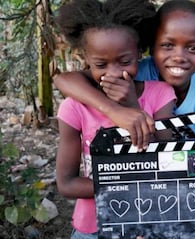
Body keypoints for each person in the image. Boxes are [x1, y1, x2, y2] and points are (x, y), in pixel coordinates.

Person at [54, 0, 195, 235]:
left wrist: (134, 107)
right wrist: (115, 111)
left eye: (192, 48)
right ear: (150, 47)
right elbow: (64, 80)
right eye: (167, 45)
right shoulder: (134, 69)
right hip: (128, 202)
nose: (179, 57)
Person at [54, 0, 176, 238]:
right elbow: (66, 184)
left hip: (145, 223)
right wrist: (123, 184)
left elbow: (165, 166)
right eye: (100, 64)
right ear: (86, 58)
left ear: (139, 53)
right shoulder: (74, 108)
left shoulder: (160, 95)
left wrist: (131, 107)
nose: (113, 73)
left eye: (125, 61)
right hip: (92, 227)